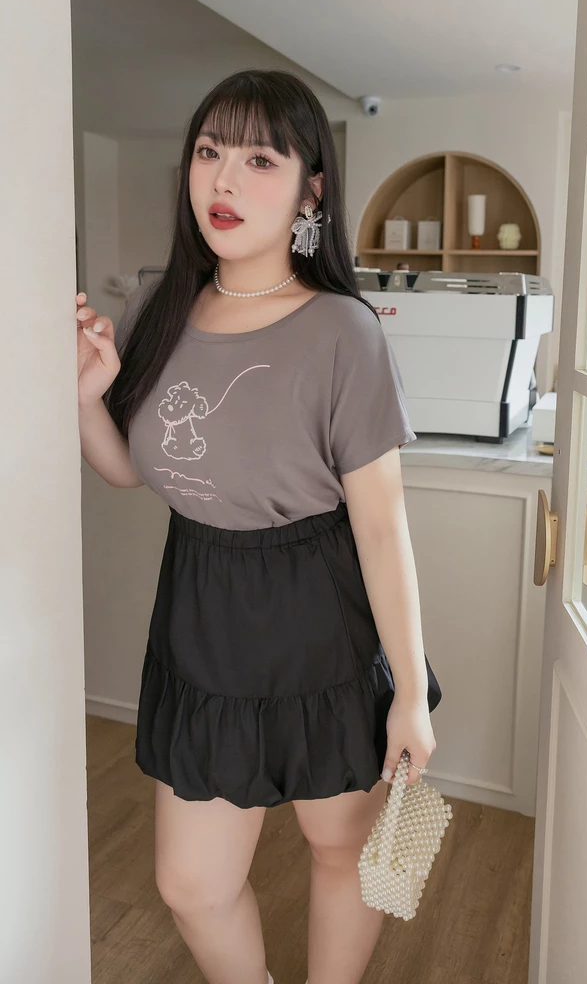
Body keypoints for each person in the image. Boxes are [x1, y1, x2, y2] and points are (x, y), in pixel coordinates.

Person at [75, 68, 443, 984]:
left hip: (320, 621)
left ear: (311, 189)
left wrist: (406, 692)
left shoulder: (343, 332)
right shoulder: (158, 305)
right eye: (209, 152)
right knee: (191, 885)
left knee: (341, 850)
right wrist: (87, 397)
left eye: (259, 160)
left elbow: (382, 528)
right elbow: (132, 470)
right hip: (201, 617)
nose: (224, 180)